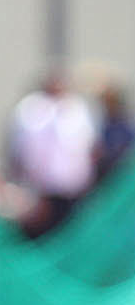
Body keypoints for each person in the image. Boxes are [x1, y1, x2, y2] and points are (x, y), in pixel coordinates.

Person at [7, 69, 96, 234]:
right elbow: (22, 151)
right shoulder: (30, 109)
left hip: (73, 190)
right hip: (41, 191)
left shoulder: (77, 108)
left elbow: (88, 147)